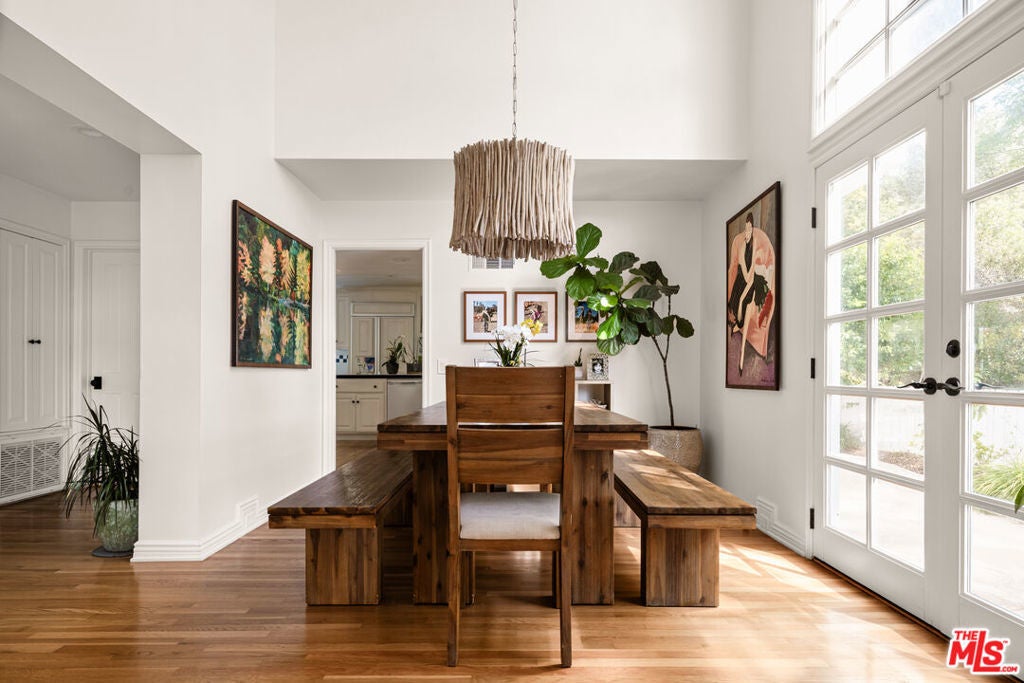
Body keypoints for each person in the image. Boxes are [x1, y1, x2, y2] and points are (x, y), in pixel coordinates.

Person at [727, 212, 776, 375]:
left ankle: (742, 357)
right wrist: (741, 298)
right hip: (742, 282)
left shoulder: (754, 246)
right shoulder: (741, 246)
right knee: (741, 304)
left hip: (752, 282)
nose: (747, 233)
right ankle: (738, 327)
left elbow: (752, 277)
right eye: (746, 229)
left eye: (750, 229)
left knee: (748, 304)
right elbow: (746, 276)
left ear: (752, 230)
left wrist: (744, 299)